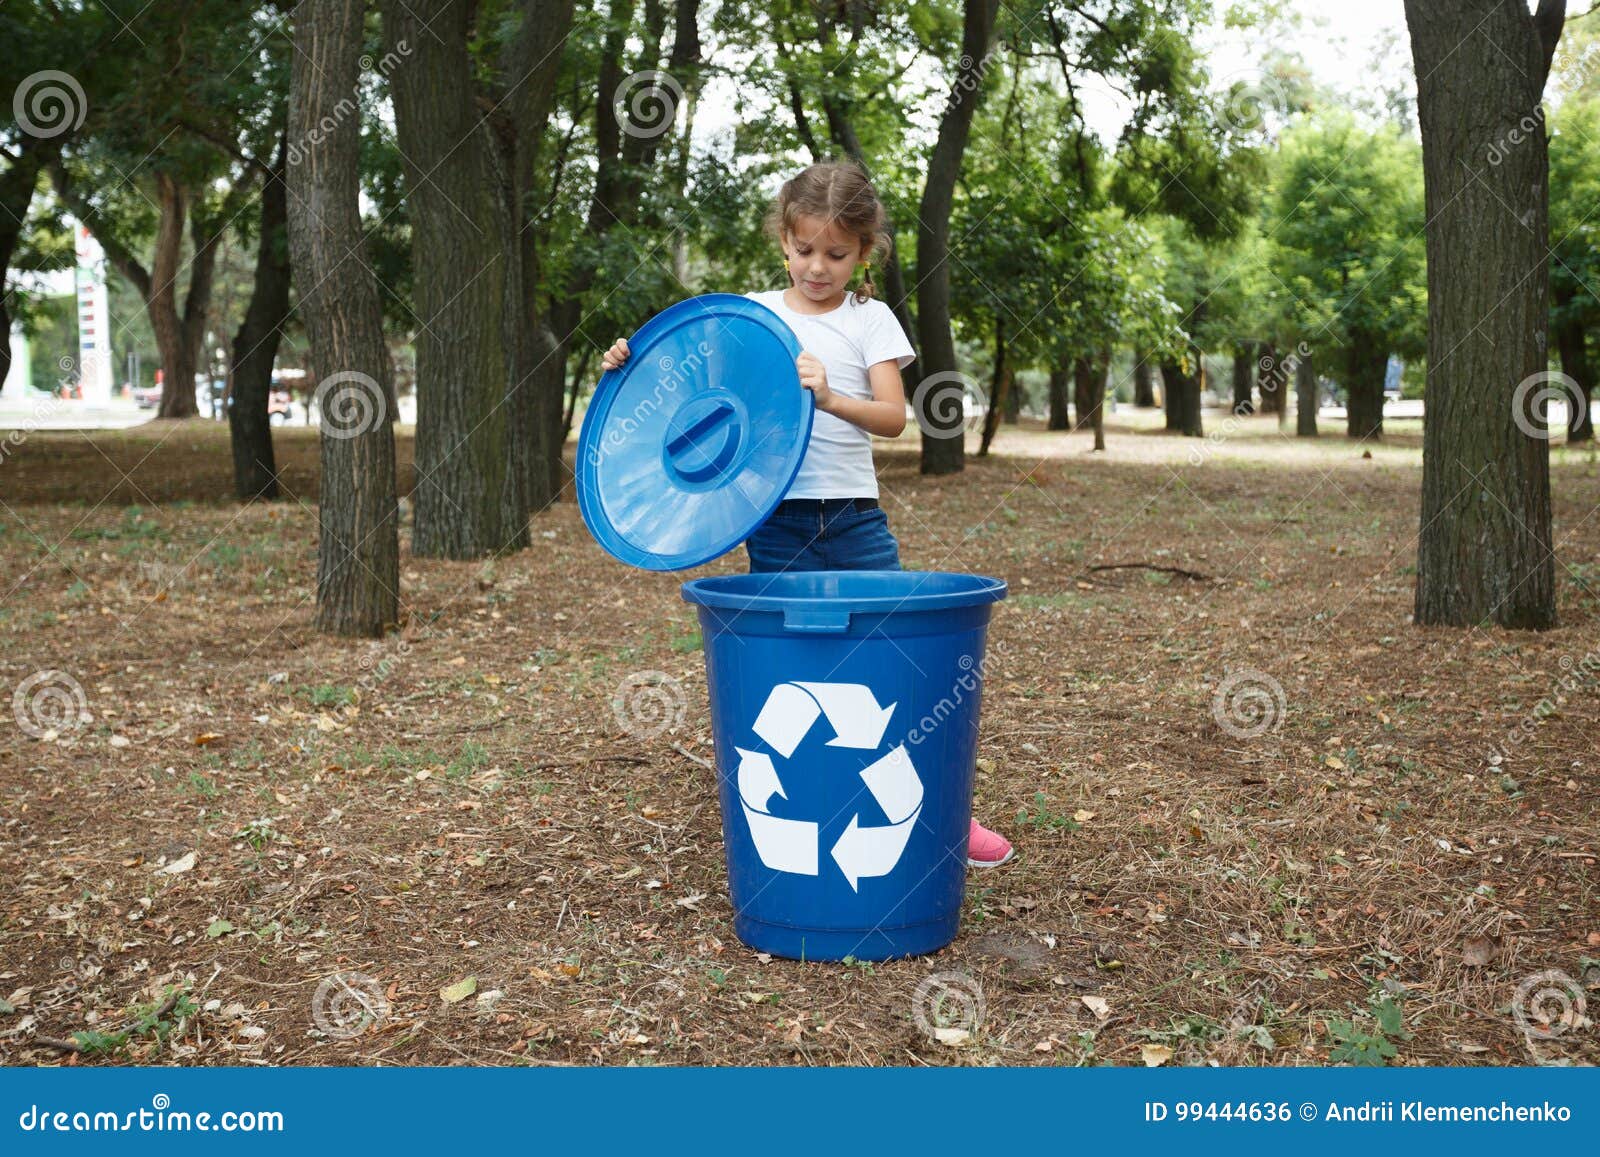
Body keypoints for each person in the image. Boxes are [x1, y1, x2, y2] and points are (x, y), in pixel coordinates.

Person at [602, 159, 1013, 869]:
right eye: (803, 250)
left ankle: (944, 814)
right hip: (776, 522)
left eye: (836, 254)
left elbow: (894, 418)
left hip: (853, 519)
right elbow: (695, 392)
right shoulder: (755, 318)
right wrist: (626, 363)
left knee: (898, 666)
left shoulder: (869, 319)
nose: (816, 267)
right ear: (783, 242)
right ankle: (810, 805)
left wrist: (830, 398)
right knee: (793, 672)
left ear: (865, 252)